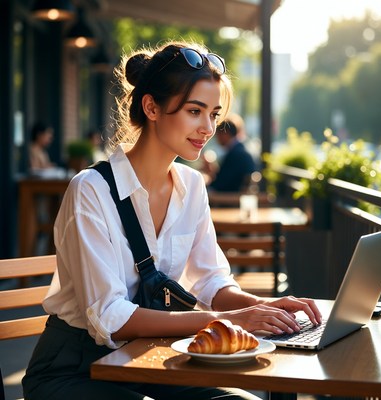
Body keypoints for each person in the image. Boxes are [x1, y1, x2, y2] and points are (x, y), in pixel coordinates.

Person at [23, 40, 322, 400]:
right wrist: (226, 321)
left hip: (153, 358)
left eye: (214, 114)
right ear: (151, 107)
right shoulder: (91, 191)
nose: (208, 128)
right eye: (195, 111)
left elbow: (210, 281)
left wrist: (258, 306)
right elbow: (111, 317)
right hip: (73, 371)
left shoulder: (192, 185)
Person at [206, 113, 257, 192]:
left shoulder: (236, 154)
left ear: (225, 133)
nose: (217, 138)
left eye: (218, 134)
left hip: (231, 198)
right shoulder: (239, 151)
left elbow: (220, 184)